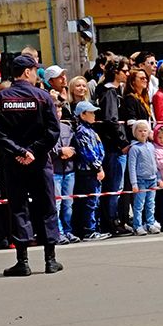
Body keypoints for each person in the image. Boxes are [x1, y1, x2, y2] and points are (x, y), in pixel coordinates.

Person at [0, 54, 63, 276]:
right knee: (47, 206)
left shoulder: (1, 98)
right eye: (34, 69)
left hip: (13, 162)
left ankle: (23, 261)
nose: (36, 73)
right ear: (27, 72)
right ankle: (50, 260)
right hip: (39, 161)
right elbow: (53, 131)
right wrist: (33, 151)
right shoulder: (43, 97)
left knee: (19, 208)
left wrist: (19, 151)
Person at [95, 59, 130, 235]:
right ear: (116, 72)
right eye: (125, 70)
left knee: (117, 186)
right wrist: (123, 142)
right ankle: (111, 222)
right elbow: (111, 120)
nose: (127, 73)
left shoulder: (115, 91)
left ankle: (115, 220)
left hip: (114, 146)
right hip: (114, 148)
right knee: (114, 187)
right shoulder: (109, 92)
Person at [70, 101, 108, 242]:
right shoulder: (81, 132)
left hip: (95, 170)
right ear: (83, 114)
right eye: (91, 112)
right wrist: (97, 167)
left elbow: (100, 149)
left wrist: (100, 165)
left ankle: (93, 228)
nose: (93, 115)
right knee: (89, 202)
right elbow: (87, 153)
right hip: (87, 172)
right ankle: (88, 230)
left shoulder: (91, 131)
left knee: (94, 201)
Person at [50, 101, 80, 244]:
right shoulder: (45, 128)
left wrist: (71, 152)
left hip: (69, 170)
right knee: (57, 204)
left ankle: (68, 231)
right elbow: (45, 149)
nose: (58, 112)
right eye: (55, 109)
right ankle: (58, 232)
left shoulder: (67, 128)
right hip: (54, 170)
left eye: (60, 110)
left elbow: (76, 145)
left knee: (68, 203)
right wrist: (60, 151)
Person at [127, 120, 160, 235]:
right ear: (135, 133)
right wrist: (134, 183)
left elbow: (155, 163)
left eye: (145, 130)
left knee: (151, 203)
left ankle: (150, 223)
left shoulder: (151, 146)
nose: (143, 133)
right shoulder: (134, 148)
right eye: (140, 131)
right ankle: (137, 225)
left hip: (152, 179)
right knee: (139, 204)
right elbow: (131, 166)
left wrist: (158, 178)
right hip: (141, 180)